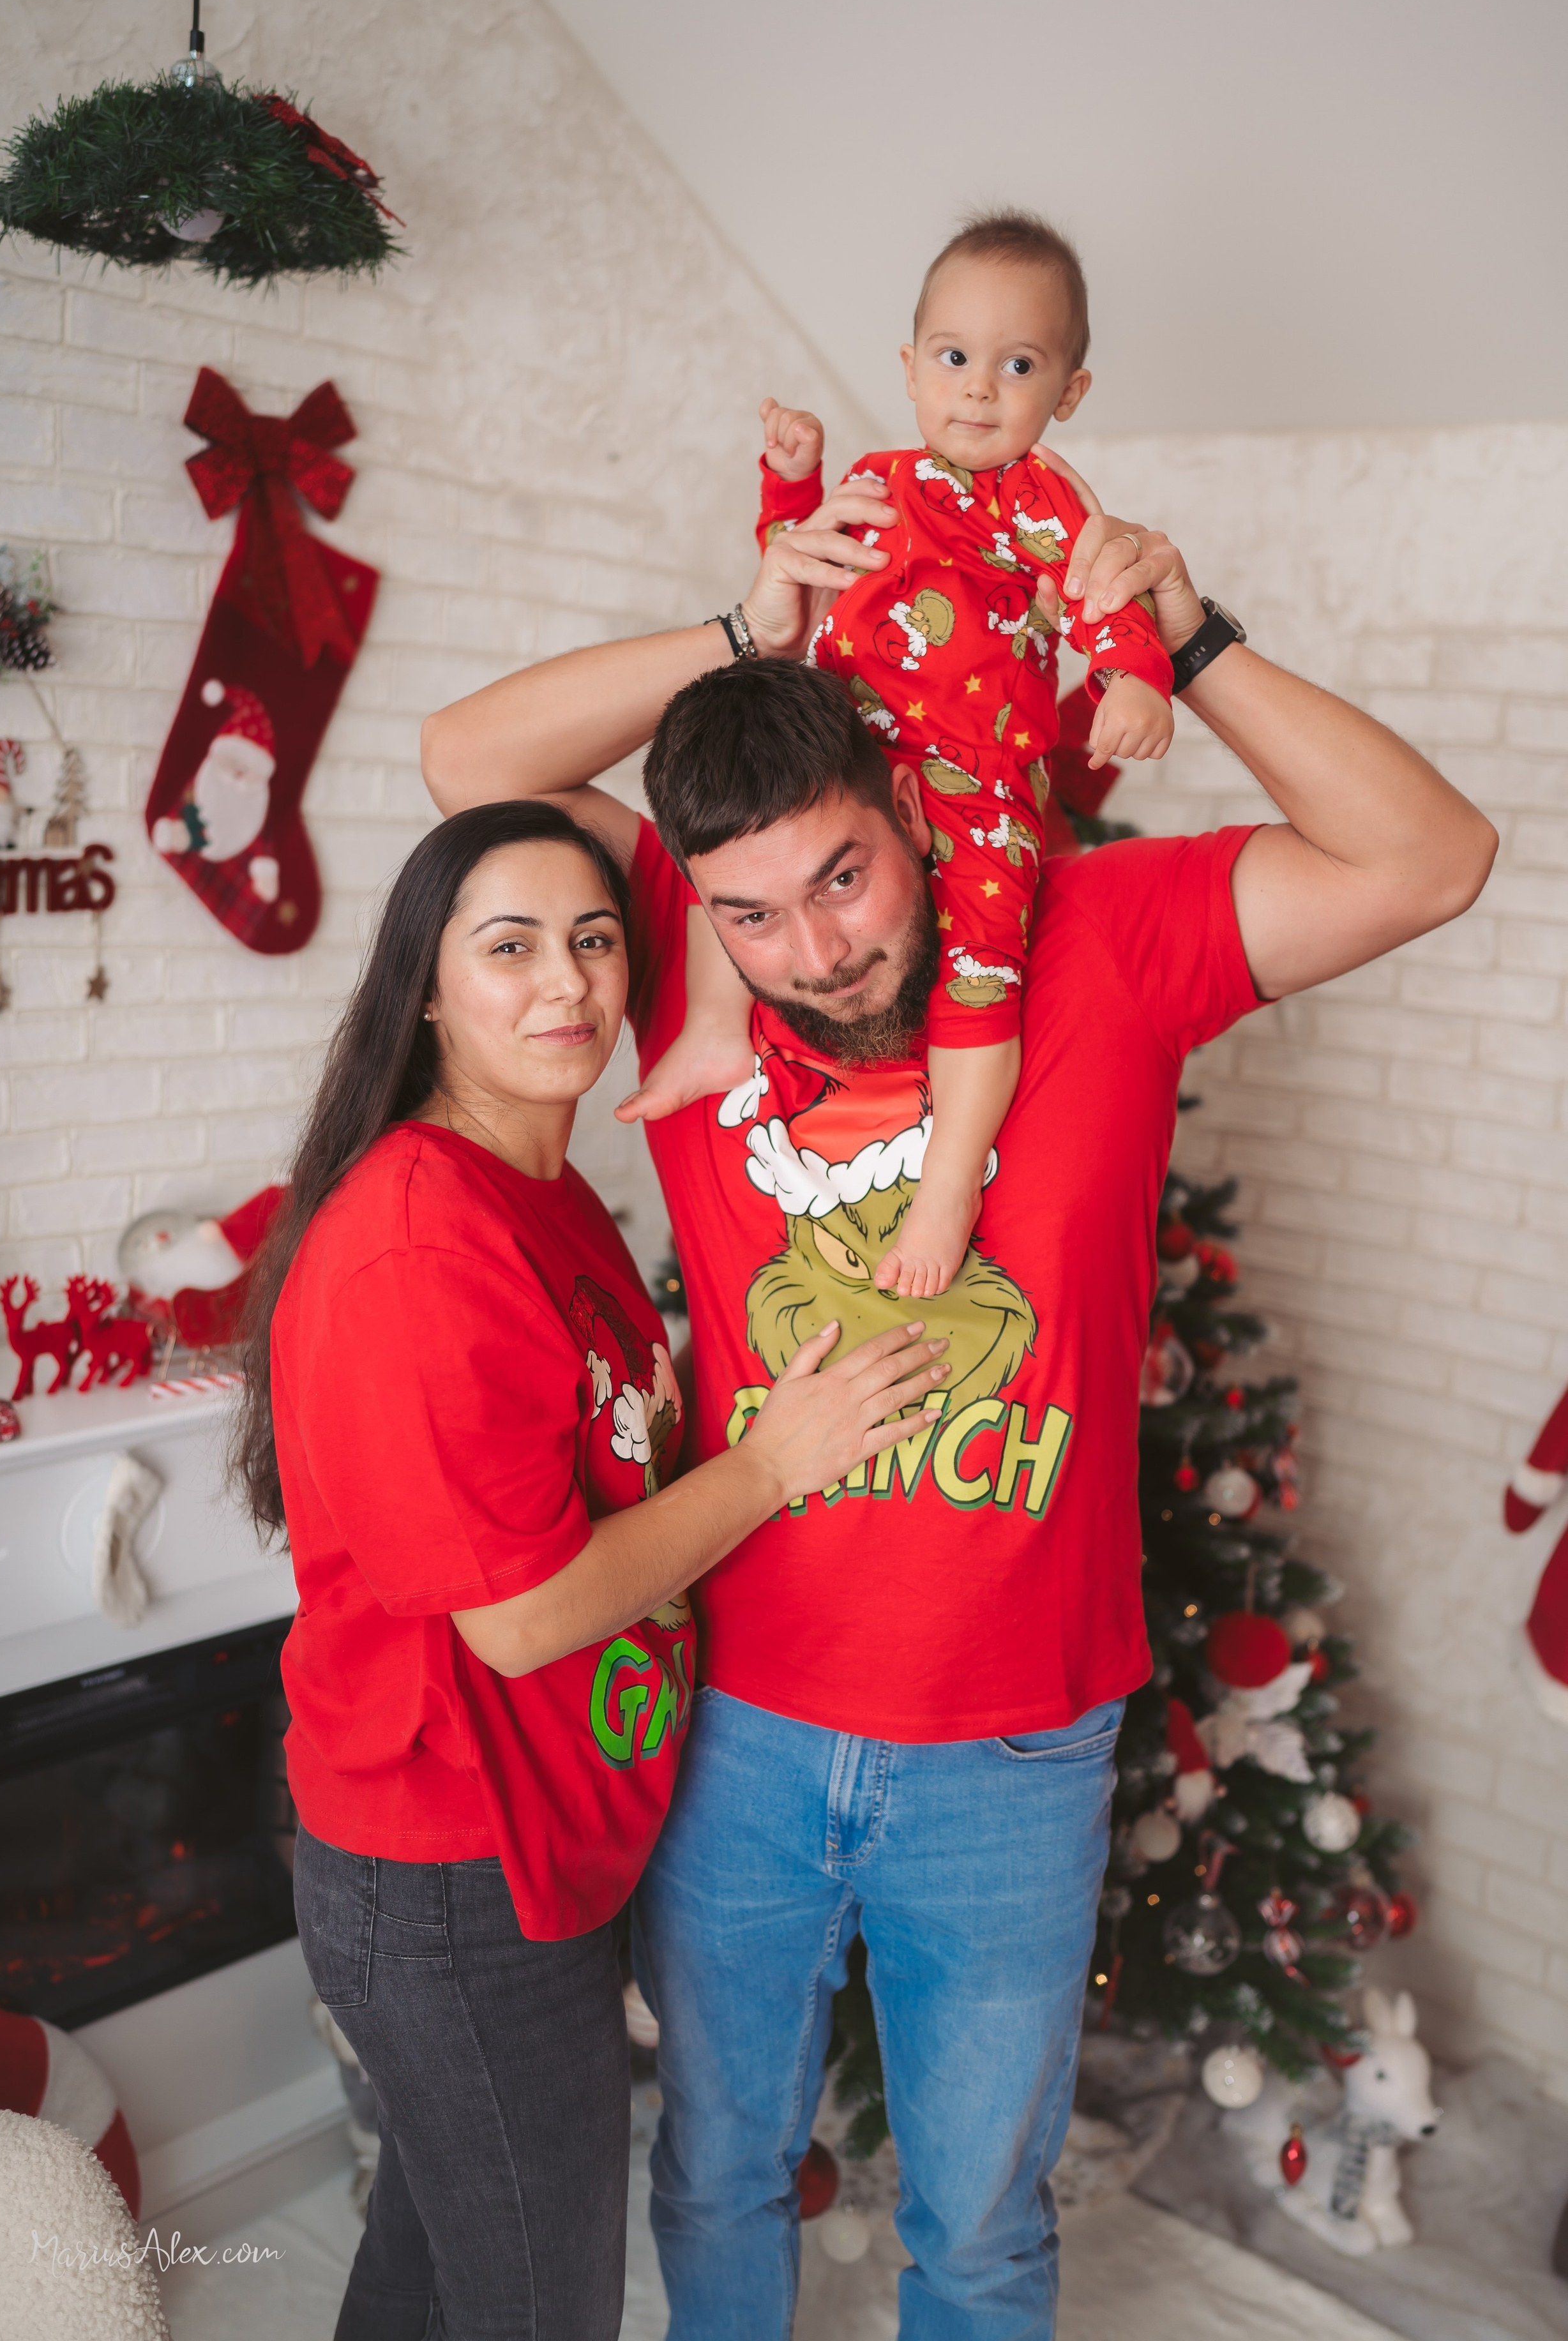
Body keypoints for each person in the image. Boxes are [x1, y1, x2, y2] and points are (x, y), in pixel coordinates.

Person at [421, 469, 1495, 2339]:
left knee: (985, 2230)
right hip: (740, 1724)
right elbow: (463, 756)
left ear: (919, 807)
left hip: (1013, 1754)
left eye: (845, 876)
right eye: (756, 914)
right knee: (718, 2171)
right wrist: (743, 634)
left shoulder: (1106, 932)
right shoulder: (678, 952)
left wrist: (1198, 644)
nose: (817, 950)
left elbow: (1432, 856)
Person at [228, 797, 949, 2341]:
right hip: (447, 1872)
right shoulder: (423, 1238)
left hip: (516, 1851)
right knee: (542, 2308)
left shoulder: (542, 1191)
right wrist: (775, 1464)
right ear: (426, 986)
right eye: (509, 949)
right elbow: (525, 1615)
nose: (566, 984)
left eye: (595, 940)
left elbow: (600, 1461)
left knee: (430, 2272)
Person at [624, 212, 1175, 1301]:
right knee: (738, 838)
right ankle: (715, 1030)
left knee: (981, 972)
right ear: (911, 366)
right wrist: (794, 484)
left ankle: (949, 1179)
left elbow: (1107, 598)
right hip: (841, 744)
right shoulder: (880, 477)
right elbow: (814, 561)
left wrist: (1137, 676)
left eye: (1018, 366)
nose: (978, 390)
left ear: (1067, 392)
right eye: (954, 359)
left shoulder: (1046, 504)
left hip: (972, 785)